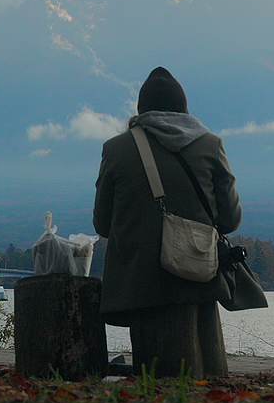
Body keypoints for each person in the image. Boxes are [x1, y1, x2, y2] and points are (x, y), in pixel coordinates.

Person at [93, 66, 243, 378]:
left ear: (140, 109)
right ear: (184, 107)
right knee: (207, 368)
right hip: (196, 273)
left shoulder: (116, 149)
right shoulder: (210, 145)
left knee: (154, 373)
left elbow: (102, 224)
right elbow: (230, 220)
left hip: (139, 282)